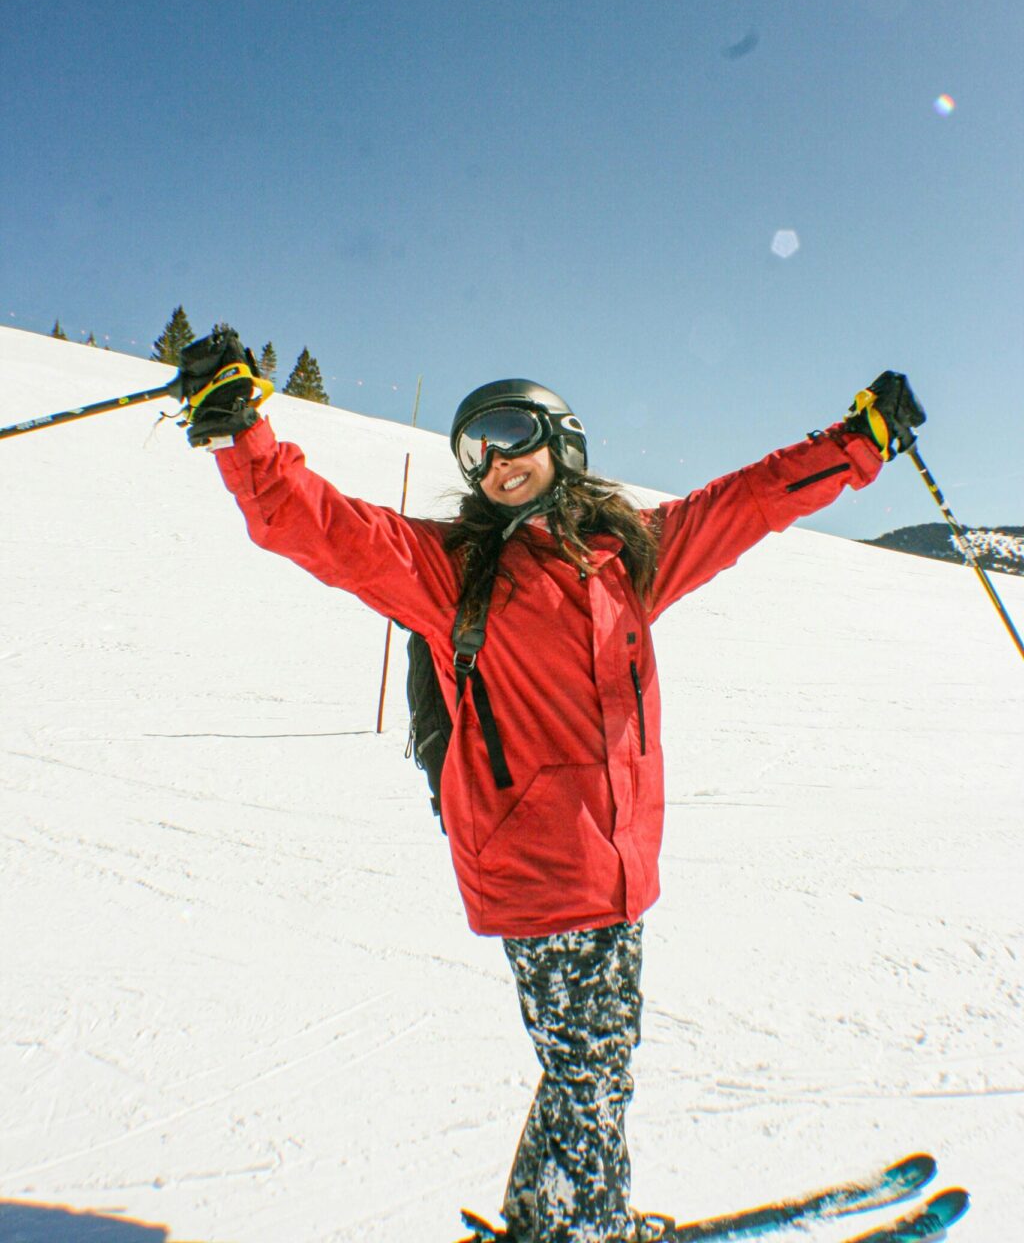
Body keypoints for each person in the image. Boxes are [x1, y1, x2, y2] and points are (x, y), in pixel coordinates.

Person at [176, 330, 925, 1243]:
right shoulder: (453, 571)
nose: (491, 458)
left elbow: (749, 502)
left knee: (588, 1068)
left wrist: (859, 441)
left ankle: (553, 1219)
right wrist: (240, 434)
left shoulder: (632, 556)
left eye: (506, 432)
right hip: (537, 867)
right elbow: (315, 523)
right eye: (473, 448)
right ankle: (584, 1230)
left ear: (560, 442)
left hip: (618, 868)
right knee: (593, 1072)